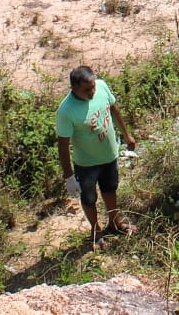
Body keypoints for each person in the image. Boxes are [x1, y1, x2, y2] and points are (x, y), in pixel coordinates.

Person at [56, 65, 137, 245]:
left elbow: (114, 110)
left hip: (109, 155)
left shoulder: (101, 86)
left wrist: (126, 134)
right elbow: (62, 145)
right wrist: (69, 176)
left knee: (110, 189)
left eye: (93, 86)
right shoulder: (66, 110)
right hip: (86, 164)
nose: (92, 92)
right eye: (87, 90)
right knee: (89, 197)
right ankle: (95, 230)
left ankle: (114, 222)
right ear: (74, 88)